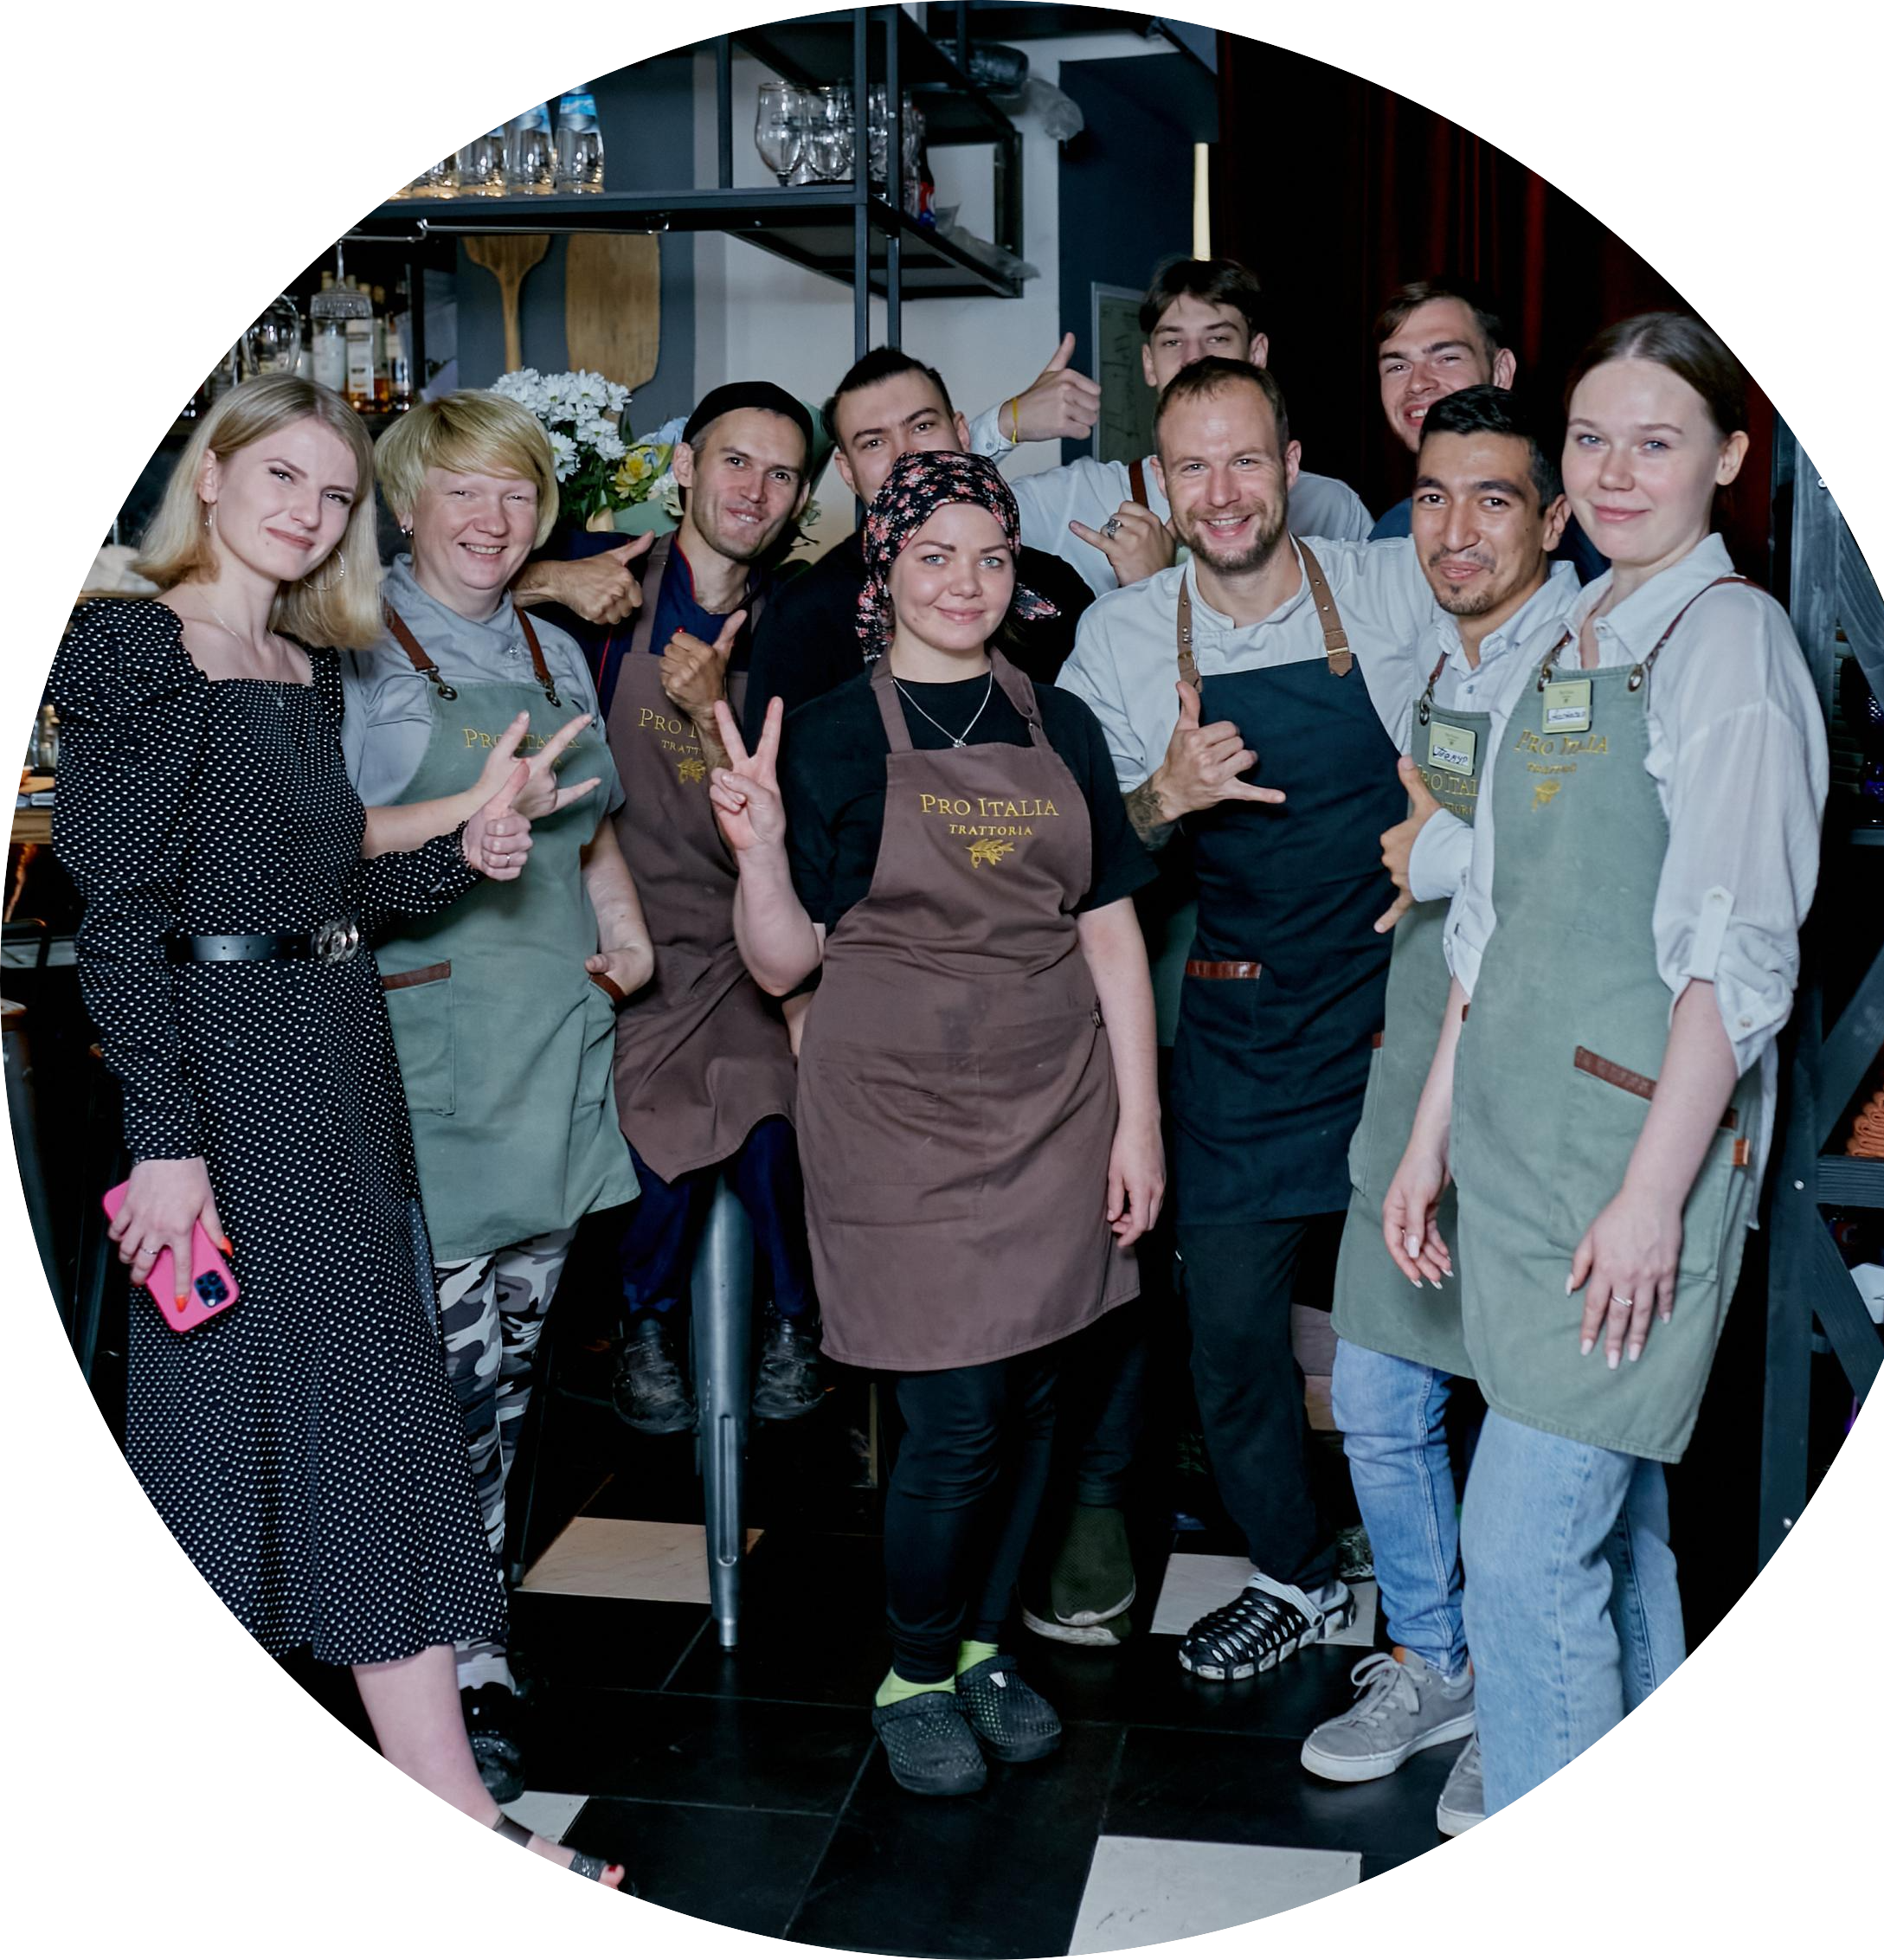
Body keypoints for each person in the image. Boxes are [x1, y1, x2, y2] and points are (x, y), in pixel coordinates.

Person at [49, 374, 633, 1887]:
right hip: (229, 1078)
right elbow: (121, 918)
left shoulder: (305, 664)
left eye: (334, 494)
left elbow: (326, 895)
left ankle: (454, 1799)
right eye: (283, 478)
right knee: (278, 1441)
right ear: (213, 474)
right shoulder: (132, 643)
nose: (309, 514)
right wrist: (164, 1137)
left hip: (337, 1059)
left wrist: (468, 846)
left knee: (341, 1435)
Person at [1382, 312, 1828, 1817]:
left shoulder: (1731, 648)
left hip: (1629, 1165)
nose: (1617, 472)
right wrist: (1430, 1137)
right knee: (1617, 1535)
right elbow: (1491, 923)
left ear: (1729, 457)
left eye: (1657, 440)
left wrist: (1651, 1201)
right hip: (1518, 1150)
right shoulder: (1573, 632)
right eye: (1591, 440)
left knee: (1519, 1550)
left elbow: (1736, 959)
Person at [711, 450, 1162, 1796]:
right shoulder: (830, 733)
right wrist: (758, 852)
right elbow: (783, 963)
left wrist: (1138, 1123)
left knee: (1037, 1398)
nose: (966, 583)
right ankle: (912, 1668)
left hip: (1056, 1101)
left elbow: (1111, 932)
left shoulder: (1060, 721)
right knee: (956, 1413)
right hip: (896, 1118)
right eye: (934, 556)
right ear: (886, 570)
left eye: (991, 557)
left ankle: (978, 1647)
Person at [1057, 357, 1437, 1682]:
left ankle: (1435, 1600)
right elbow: (1079, 862)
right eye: (1192, 467)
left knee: (1420, 1332)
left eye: (1244, 460)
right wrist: (1161, 795)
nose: (1220, 493)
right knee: (1225, 1329)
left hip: (1399, 1021)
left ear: (1290, 467)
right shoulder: (1121, 637)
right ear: (1162, 484)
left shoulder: (1393, 589)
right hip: (1237, 1028)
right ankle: (1295, 1570)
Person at [340, 389, 654, 1799]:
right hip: (430, 1062)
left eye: (517, 492)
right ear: (409, 504)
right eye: (463, 490)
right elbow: (317, 841)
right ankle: (458, 1662)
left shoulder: (554, 648)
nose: (493, 517)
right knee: (445, 1387)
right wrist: (470, 815)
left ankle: (462, 1637)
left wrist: (627, 933)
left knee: (512, 1383)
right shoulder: (356, 648)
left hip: (554, 1055)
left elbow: (592, 833)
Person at [1302, 385, 1579, 1835]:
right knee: (1373, 1393)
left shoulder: (1588, 661)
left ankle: (1526, 1703)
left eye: (1493, 499)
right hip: (1413, 1073)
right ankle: (1434, 1661)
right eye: (1432, 497)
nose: (1455, 529)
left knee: (1539, 1422)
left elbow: (1567, 872)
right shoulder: (1443, 657)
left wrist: (1436, 857)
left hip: (1532, 1105)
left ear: (1555, 517)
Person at [524, 382, 826, 1435]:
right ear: (685, 467)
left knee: (773, 1115)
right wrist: (548, 577)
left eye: (782, 474)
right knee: (647, 1118)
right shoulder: (602, 573)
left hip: (749, 931)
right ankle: (642, 1325)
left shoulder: (801, 623)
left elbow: (789, 811)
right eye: (735, 461)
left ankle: (795, 1322)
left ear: (801, 500)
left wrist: (708, 717)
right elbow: (430, 589)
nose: (755, 490)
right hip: (618, 926)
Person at [740, 345, 1095, 746]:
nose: (905, 455)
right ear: (847, 471)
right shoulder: (805, 615)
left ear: (962, 433)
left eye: (923, 426)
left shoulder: (1055, 586)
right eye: (873, 443)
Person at [967, 259, 1374, 596]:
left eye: (1217, 338)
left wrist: (1154, 581)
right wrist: (1006, 423)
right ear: (1149, 363)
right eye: (1172, 342)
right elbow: (936, 519)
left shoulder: (1330, 508)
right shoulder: (1083, 496)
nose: (1193, 359)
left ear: (1257, 353)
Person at [1369, 276, 1608, 582]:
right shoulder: (1391, 531)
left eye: (1447, 358)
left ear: (1501, 371)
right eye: (1398, 366)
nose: (1417, 383)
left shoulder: (1592, 532)